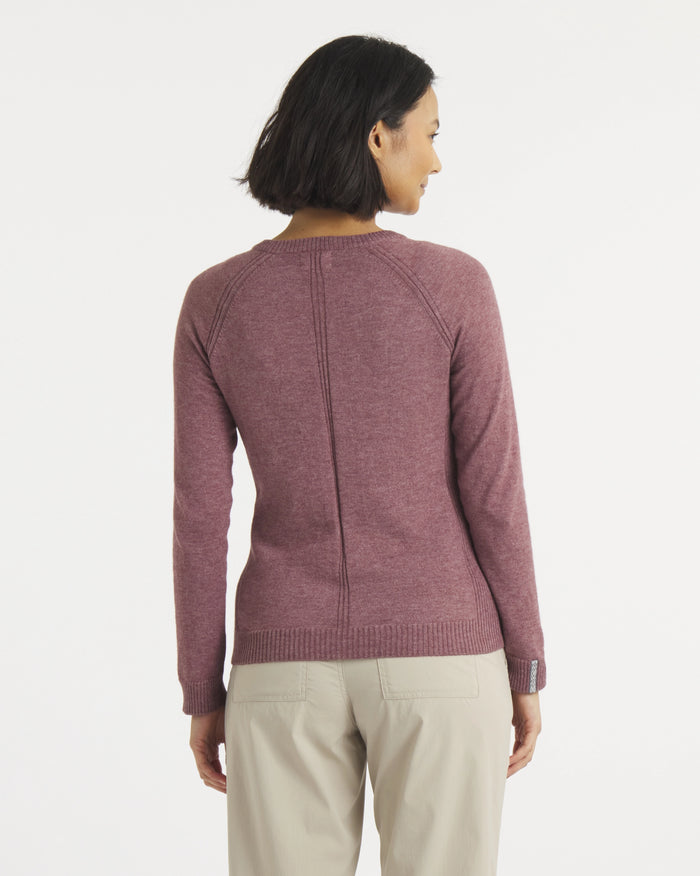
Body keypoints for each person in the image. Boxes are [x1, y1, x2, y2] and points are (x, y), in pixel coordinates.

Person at [173, 34, 547, 876]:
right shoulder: (453, 285)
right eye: (431, 134)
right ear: (380, 135)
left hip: (280, 668)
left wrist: (203, 686)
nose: (437, 161)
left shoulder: (215, 301)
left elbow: (199, 515)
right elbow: (493, 491)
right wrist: (525, 661)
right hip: (444, 660)